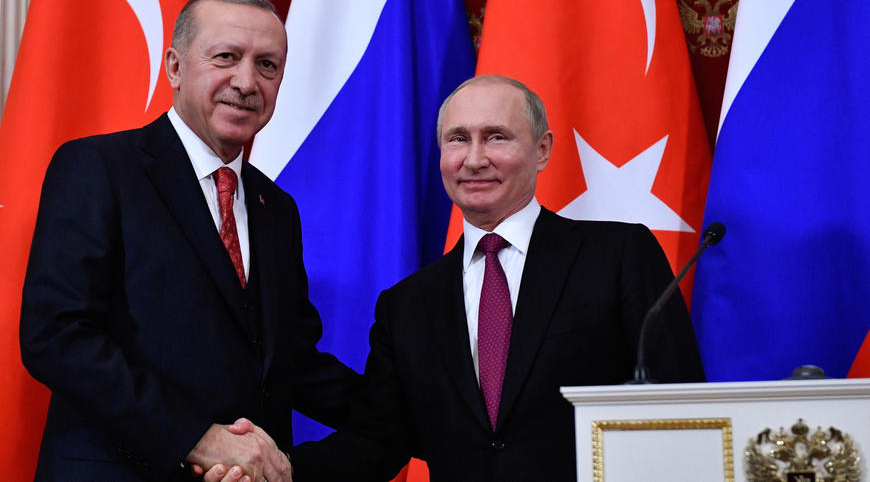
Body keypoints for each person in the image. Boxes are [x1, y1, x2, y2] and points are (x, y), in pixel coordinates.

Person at [210, 75, 706, 482]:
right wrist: (277, 473)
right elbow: (380, 439)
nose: (473, 159)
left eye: (496, 136)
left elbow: (678, 411)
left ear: (542, 150)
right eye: (457, 139)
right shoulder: (408, 305)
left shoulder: (616, 255)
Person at [19, 0, 361, 481]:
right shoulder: (98, 168)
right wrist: (198, 437)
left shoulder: (277, 209)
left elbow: (290, 362)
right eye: (226, 57)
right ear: (175, 67)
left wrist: (420, 413)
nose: (246, 82)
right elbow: (56, 336)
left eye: (267, 65)